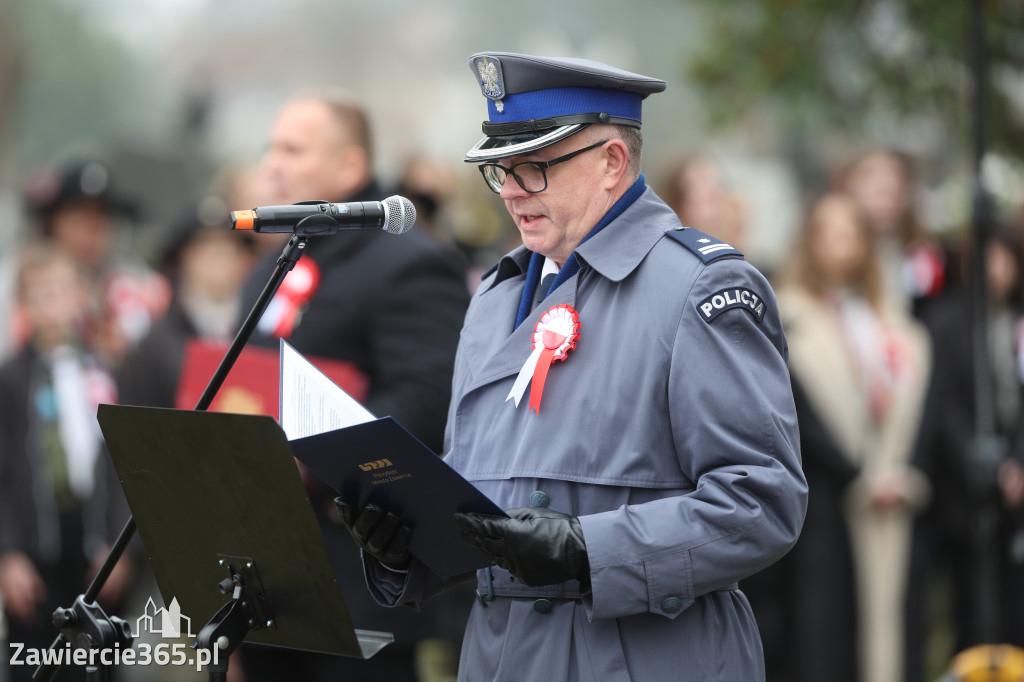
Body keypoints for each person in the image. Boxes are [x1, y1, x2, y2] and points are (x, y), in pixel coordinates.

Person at [337, 52, 808, 681]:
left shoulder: (697, 286)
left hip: (642, 659)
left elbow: (762, 502)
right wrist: (404, 546)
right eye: (500, 169)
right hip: (501, 658)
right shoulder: (493, 297)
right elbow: (478, 495)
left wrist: (591, 551)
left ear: (611, 163)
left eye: (533, 168)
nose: (508, 189)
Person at [237, 89, 472, 682]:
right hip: (265, 580)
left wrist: (305, 462)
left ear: (348, 166)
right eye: (270, 147)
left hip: (360, 583)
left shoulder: (408, 262)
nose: (272, 163)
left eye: (292, 148)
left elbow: (426, 401)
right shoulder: (274, 266)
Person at [772, 193, 931, 682]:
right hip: (823, 508)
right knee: (827, 642)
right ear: (809, 240)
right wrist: (858, 474)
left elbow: (918, 406)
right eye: (828, 230)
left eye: (851, 231)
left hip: (891, 506)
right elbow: (800, 416)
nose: (840, 243)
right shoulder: (787, 319)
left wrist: (897, 473)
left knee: (893, 637)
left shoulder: (892, 324)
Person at [0, 244, 132, 682]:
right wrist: (9, 552)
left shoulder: (104, 370)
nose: (51, 303)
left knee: (96, 662)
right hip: (36, 542)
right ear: (23, 304)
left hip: (94, 540)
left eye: (60, 291)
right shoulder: (12, 379)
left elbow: (122, 466)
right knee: (37, 662)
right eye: (39, 294)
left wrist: (121, 546)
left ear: (80, 297)